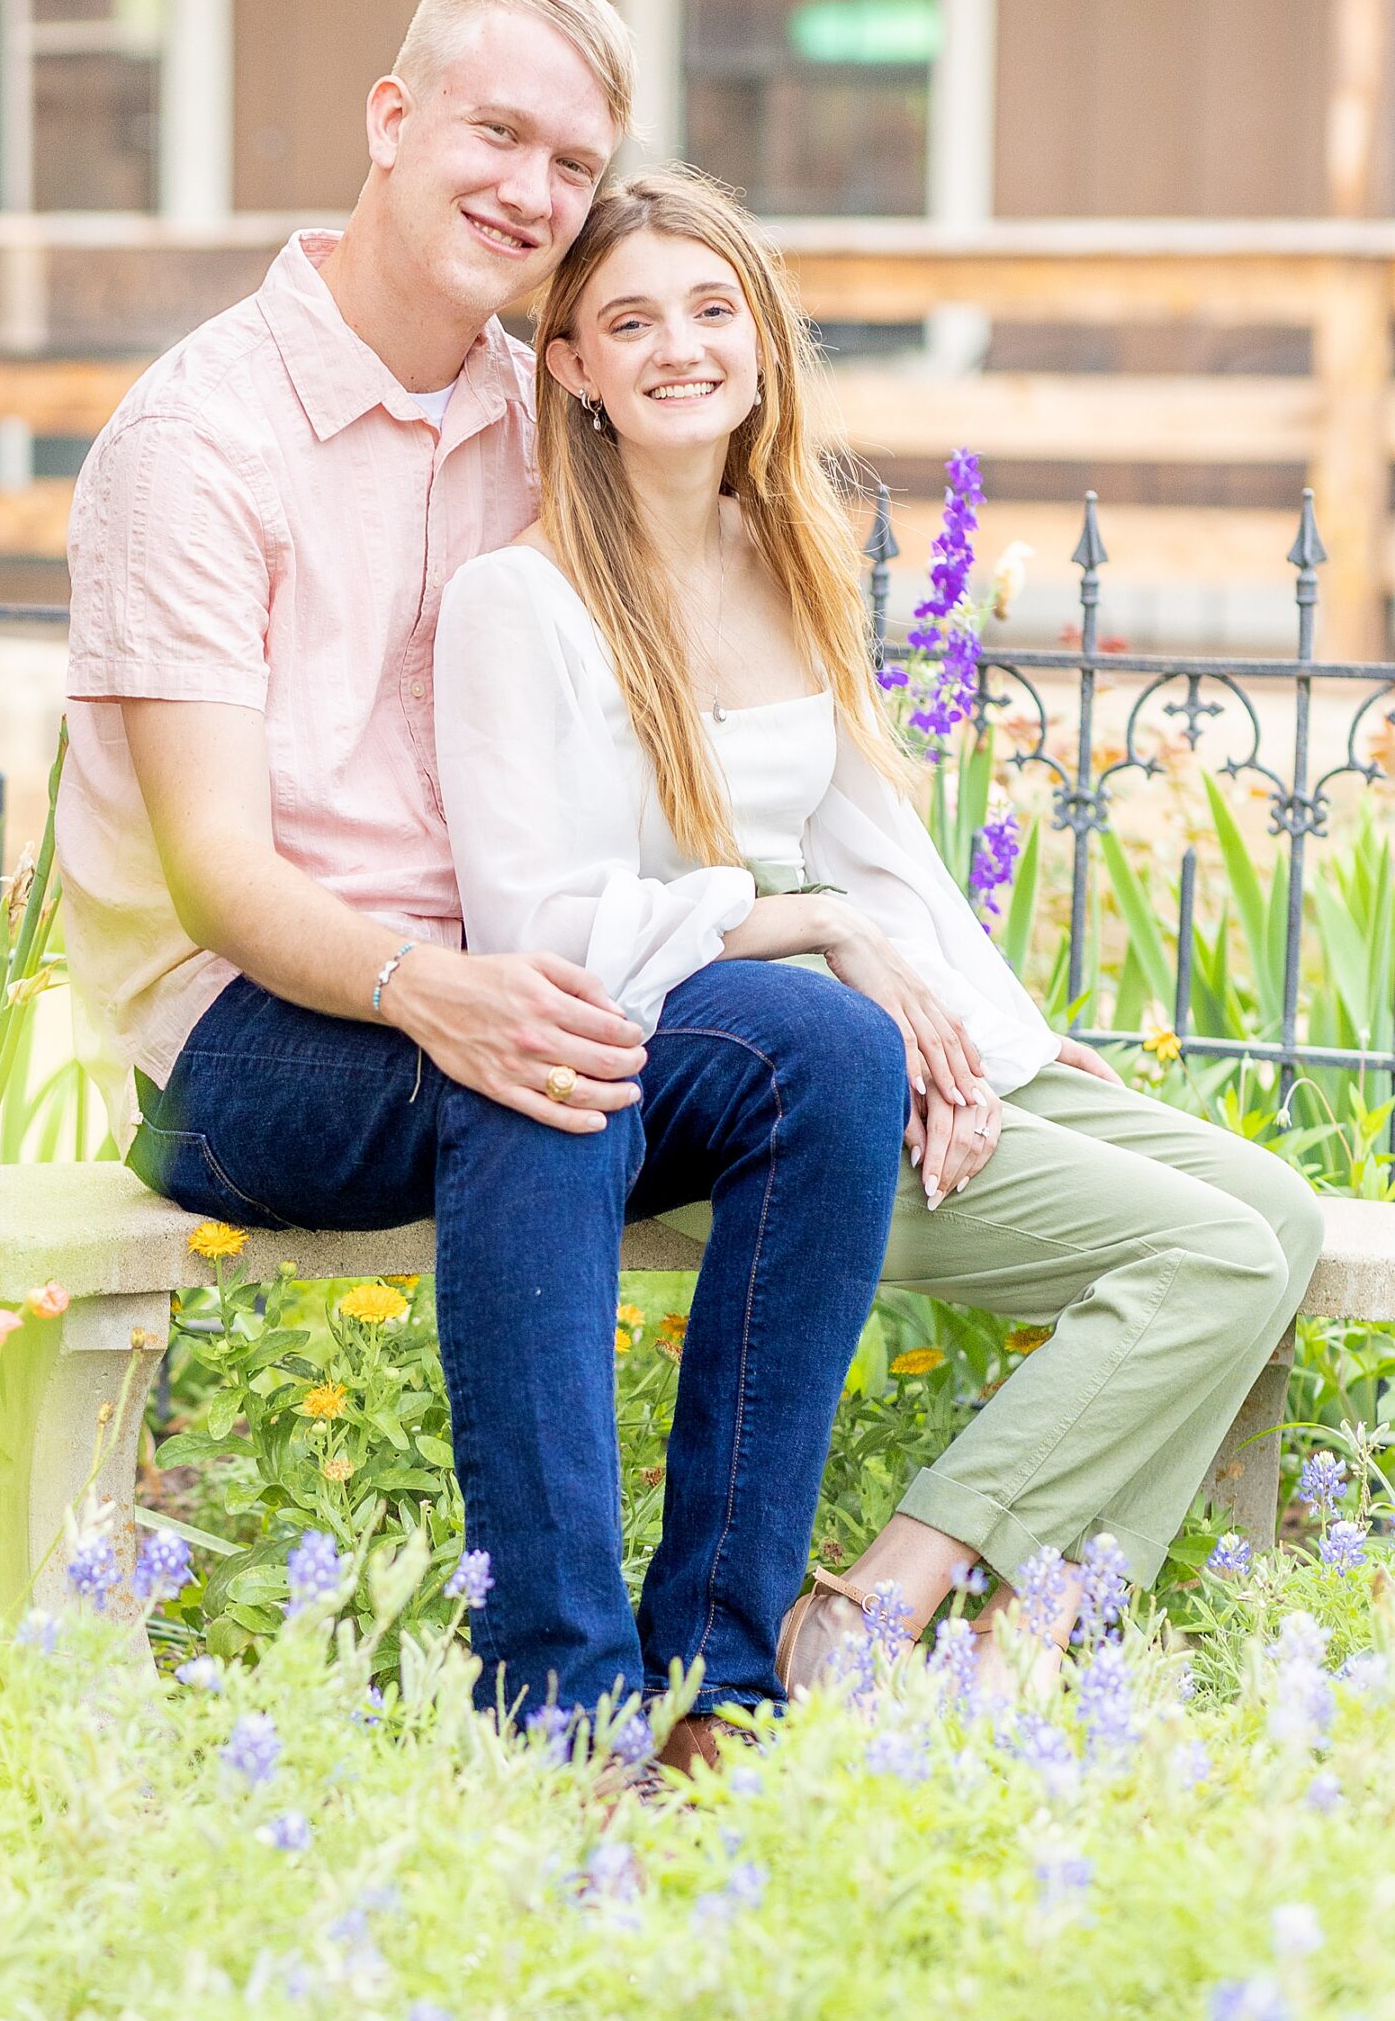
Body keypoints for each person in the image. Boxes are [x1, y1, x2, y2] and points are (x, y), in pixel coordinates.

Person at [56, 0, 908, 1754]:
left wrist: (841, 936)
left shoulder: (546, 406)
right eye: (494, 130)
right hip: (248, 1036)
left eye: (570, 163)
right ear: (391, 119)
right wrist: (438, 991)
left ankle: (717, 1694)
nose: (530, 191)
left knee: (825, 1050)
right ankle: (563, 1708)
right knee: (540, 1069)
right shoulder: (198, 443)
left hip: (513, 968)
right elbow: (214, 875)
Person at [433, 167, 1325, 1694]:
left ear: (763, 343)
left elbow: (879, 849)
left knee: (1278, 1220)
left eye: (713, 311)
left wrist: (1013, 1046)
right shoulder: (521, 600)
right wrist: (816, 937)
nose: (678, 349)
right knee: (1203, 1258)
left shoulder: (782, 555)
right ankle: (894, 1610)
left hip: (880, 1021)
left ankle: (1021, 1630)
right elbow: (547, 923)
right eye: (628, 320)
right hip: (726, 1084)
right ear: (566, 363)